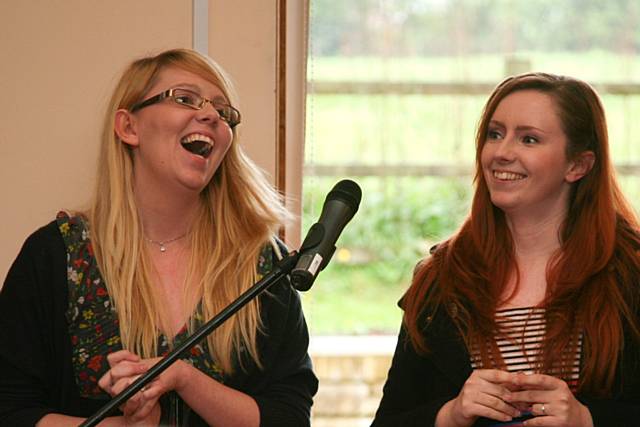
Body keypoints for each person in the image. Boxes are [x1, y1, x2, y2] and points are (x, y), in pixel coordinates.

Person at [0, 48, 318, 427]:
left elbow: (290, 417)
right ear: (128, 127)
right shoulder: (54, 256)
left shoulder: (262, 262)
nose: (211, 116)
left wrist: (185, 378)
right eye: (184, 98)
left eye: (223, 112)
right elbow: (10, 410)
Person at [371, 72, 640, 427]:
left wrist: (588, 419)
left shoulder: (630, 274)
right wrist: (451, 414)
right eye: (495, 134)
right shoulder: (442, 278)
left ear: (578, 165)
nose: (502, 153)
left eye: (529, 139)